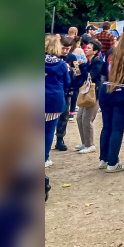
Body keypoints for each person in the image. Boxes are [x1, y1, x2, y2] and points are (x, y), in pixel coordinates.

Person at [97, 28, 124, 173]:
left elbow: (103, 73)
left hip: (106, 91)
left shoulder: (110, 52)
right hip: (122, 92)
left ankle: (103, 160)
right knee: (117, 129)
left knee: (106, 127)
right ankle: (113, 162)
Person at [75, 38, 104, 154]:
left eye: (89, 48)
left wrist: (82, 68)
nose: (86, 49)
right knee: (79, 118)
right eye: (86, 47)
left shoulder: (97, 62)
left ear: (95, 51)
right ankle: (84, 142)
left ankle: (90, 144)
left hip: (94, 94)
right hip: (86, 93)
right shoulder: (89, 62)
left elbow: (91, 76)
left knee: (87, 119)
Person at [45, 35, 70, 168]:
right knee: (49, 130)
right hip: (54, 100)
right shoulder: (61, 65)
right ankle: (44, 157)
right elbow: (67, 82)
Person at [53, 37, 76, 151]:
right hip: (54, 90)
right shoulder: (52, 57)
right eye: (63, 48)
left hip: (66, 91)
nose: (65, 51)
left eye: (68, 49)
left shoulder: (71, 57)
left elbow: (77, 73)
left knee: (64, 116)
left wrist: (71, 70)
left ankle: (60, 139)